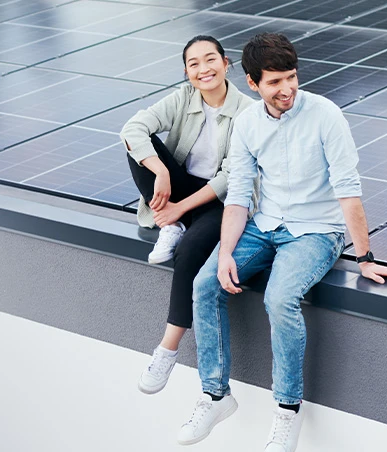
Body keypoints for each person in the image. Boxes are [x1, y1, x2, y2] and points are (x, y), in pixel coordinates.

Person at [176, 33, 387, 451]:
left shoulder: (326, 116)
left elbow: (348, 190)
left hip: (316, 230)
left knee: (280, 298)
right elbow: (239, 194)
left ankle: (287, 410)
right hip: (264, 225)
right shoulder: (248, 124)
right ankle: (215, 394)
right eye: (274, 82)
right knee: (205, 283)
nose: (286, 89)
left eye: (291, 77)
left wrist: (365, 257)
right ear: (252, 83)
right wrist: (226, 253)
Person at [121, 35, 254, 395]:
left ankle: (167, 349)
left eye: (210, 59)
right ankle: (175, 224)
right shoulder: (183, 97)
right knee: (138, 147)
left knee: (189, 251)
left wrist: (180, 206)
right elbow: (132, 129)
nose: (203, 69)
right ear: (186, 72)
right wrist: (161, 172)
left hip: (219, 200)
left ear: (226, 64)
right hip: (179, 187)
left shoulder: (247, 112)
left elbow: (231, 176)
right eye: (193, 64)